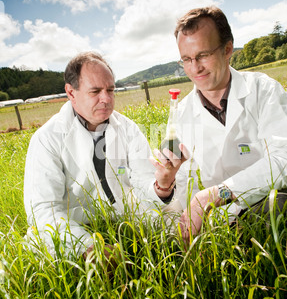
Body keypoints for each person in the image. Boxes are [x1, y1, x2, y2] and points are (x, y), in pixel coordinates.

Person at [23, 51, 184, 259]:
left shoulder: (127, 128)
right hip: (74, 227)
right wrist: (88, 248)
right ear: (71, 92)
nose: (106, 99)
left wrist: (162, 185)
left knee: (179, 220)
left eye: (110, 90)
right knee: (37, 249)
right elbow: (44, 210)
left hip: (125, 219)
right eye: (95, 91)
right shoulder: (47, 138)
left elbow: (144, 183)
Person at [172, 6, 287, 244]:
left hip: (267, 201)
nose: (195, 68)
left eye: (203, 55)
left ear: (227, 49)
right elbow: (185, 183)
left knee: (280, 202)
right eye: (187, 59)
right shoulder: (183, 113)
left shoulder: (264, 90)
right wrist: (168, 185)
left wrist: (217, 193)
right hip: (220, 215)